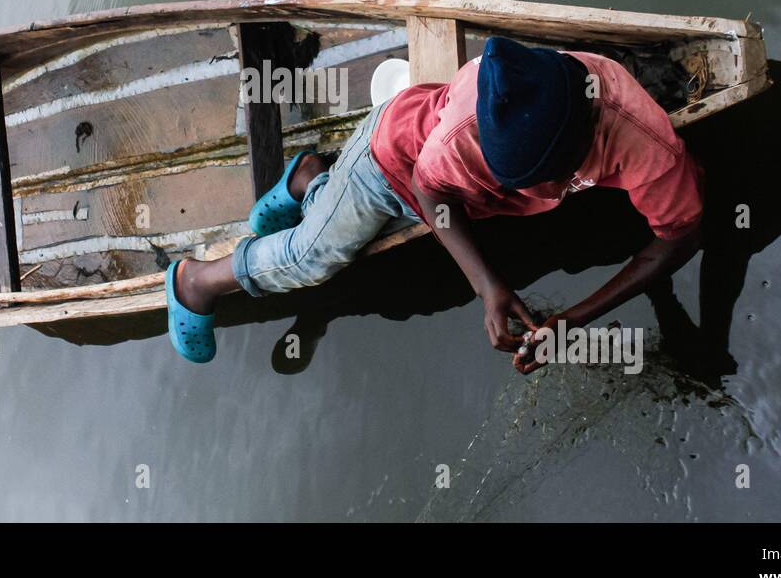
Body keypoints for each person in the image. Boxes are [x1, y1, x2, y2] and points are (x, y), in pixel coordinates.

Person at [165, 36, 704, 368]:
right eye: (512, 180)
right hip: (390, 165)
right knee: (313, 258)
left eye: (541, 181)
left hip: (450, 182)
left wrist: (574, 319)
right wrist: (486, 285)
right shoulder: (459, 136)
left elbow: (679, 235)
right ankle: (197, 282)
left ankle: (310, 181)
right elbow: (429, 189)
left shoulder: (645, 144)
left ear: (584, 139)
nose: (533, 193)